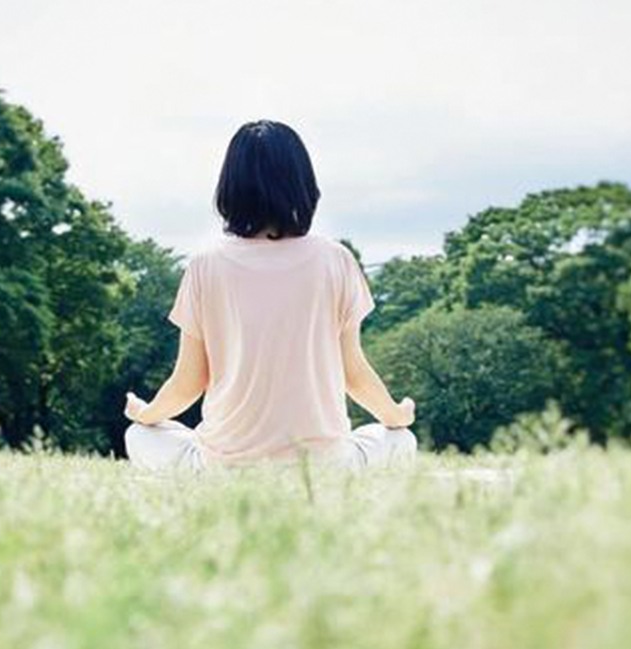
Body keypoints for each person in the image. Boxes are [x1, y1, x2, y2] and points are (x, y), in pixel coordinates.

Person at [123, 119, 417, 472]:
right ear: (303, 184)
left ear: (229, 188)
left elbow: (188, 383)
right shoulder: (335, 260)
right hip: (325, 468)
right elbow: (353, 372)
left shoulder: (205, 265)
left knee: (139, 436)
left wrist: (145, 413)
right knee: (401, 440)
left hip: (225, 469)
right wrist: (395, 414)